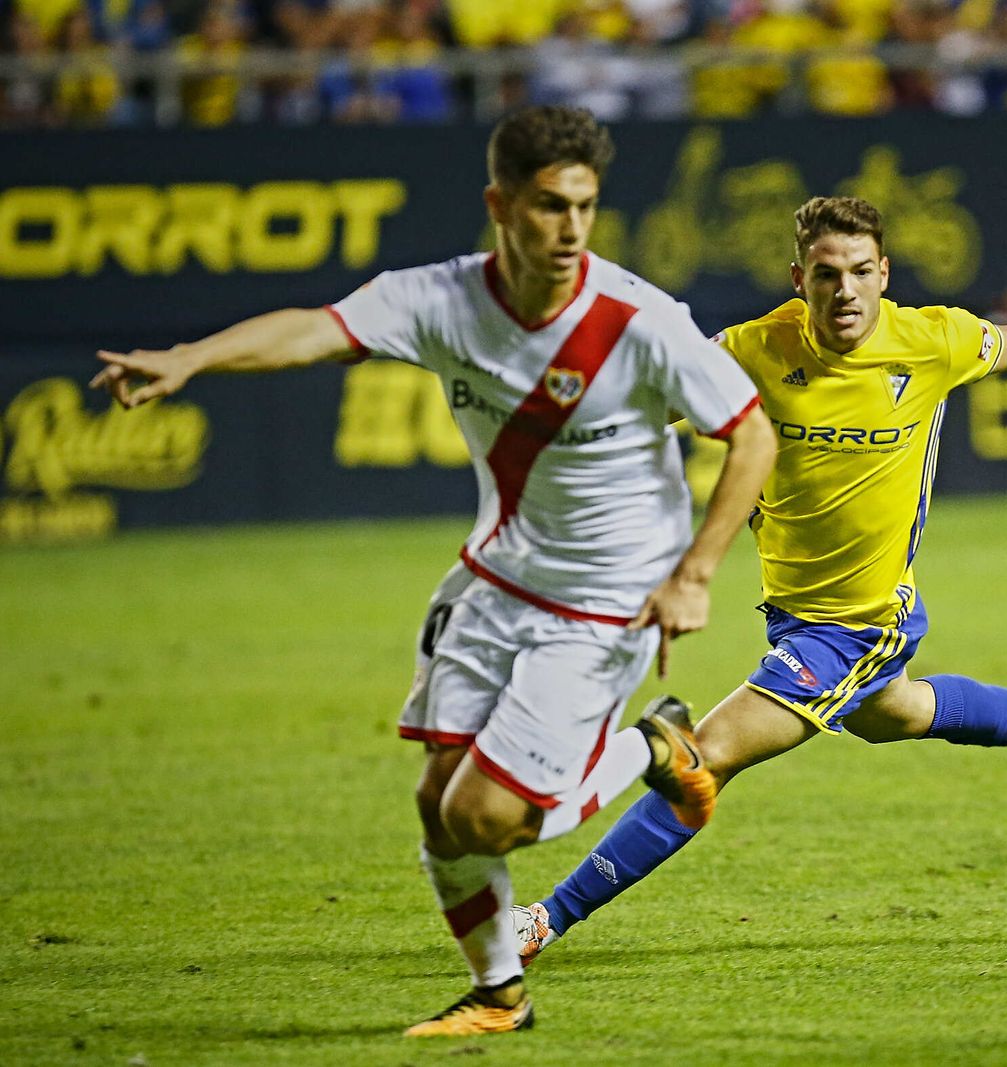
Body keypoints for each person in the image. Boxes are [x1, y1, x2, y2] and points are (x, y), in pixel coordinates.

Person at [89, 105, 777, 1036]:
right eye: (547, 207)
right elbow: (315, 328)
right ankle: (499, 996)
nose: (570, 229)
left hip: (611, 595)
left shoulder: (639, 321)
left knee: (492, 816)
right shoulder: (442, 300)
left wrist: (695, 573)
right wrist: (191, 358)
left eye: (584, 206)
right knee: (437, 806)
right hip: (498, 575)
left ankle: (655, 749)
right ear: (500, 205)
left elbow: (751, 434)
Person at [510, 194, 1007, 967]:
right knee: (898, 712)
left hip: (862, 623)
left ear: (885, 274)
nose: (844, 290)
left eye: (859, 272)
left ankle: (543, 920)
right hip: (794, 614)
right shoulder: (755, 347)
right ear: (798, 278)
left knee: (704, 757)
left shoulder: (930, 340)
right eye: (826, 273)